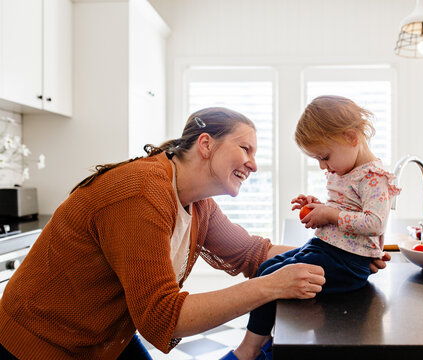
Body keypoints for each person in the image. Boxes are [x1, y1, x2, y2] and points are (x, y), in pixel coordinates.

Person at [0, 107, 388, 360]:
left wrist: (345, 255)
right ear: (206, 145)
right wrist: (271, 287)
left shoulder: (196, 201)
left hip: (105, 338)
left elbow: (254, 253)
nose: (254, 163)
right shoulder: (140, 193)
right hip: (40, 344)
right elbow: (161, 316)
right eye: (245, 148)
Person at [226, 95, 400, 360]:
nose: (322, 166)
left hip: (347, 264)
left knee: (275, 279)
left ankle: (248, 351)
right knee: (266, 270)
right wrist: (317, 206)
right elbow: (344, 207)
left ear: (352, 137)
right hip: (326, 249)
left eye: (325, 156)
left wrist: (330, 214)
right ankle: (263, 341)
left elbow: (374, 223)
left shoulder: (375, 178)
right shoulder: (344, 170)